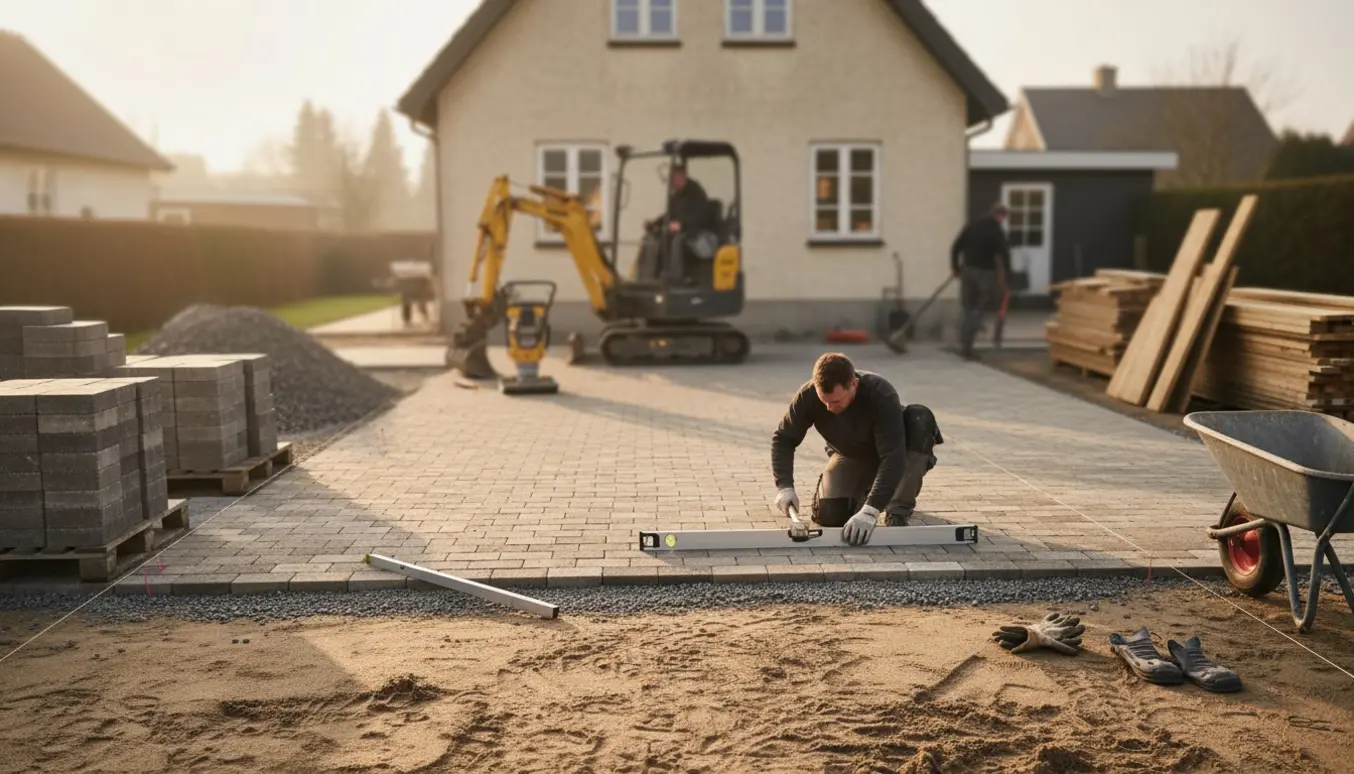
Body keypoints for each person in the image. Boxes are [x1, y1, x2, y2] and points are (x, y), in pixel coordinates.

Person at [770, 352, 943, 546]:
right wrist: (784, 486)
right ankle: (872, 493)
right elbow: (784, 439)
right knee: (830, 516)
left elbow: (892, 457)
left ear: (853, 385)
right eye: (823, 400)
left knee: (920, 418)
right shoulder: (807, 396)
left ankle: (897, 509)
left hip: (896, 453)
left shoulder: (881, 394)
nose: (828, 408)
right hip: (850, 454)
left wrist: (872, 510)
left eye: (835, 401)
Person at [950, 202, 1011, 359]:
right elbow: (1005, 254)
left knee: (968, 307)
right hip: (986, 273)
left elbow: (956, 247)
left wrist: (955, 267)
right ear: (1000, 216)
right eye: (1003, 218)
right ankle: (968, 347)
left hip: (968, 271)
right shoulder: (996, 230)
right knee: (979, 308)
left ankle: (964, 342)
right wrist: (1008, 277)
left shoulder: (972, 226)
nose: (1003, 221)